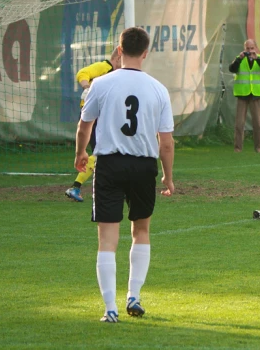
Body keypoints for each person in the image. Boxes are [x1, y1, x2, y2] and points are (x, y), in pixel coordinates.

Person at [75, 27, 175, 323]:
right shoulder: (158, 88)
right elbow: (166, 142)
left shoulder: (102, 84)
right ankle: (134, 295)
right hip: (144, 165)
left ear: (119, 49)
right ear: (146, 52)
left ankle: (110, 309)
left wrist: (81, 152)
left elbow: (85, 125)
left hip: (109, 164)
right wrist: (168, 177)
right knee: (141, 231)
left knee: (107, 239)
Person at [65, 49, 122, 202]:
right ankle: (78, 187)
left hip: (102, 117)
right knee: (102, 153)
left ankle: (76, 187)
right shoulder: (105, 67)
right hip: (93, 117)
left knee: (104, 152)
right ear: (118, 57)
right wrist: (86, 87)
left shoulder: (118, 76)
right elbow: (82, 73)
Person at [229, 39, 260, 153]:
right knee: (239, 123)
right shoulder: (240, 59)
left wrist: (257, 58)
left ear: (255, 48)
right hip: (243, 93)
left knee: (257, 123)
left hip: (256, 94)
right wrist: (239, 58)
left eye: (252, 48)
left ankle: (259, 148)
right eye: (248, 48)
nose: (250, 51)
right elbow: (232, 68)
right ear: (244, 48)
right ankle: (238, 148)